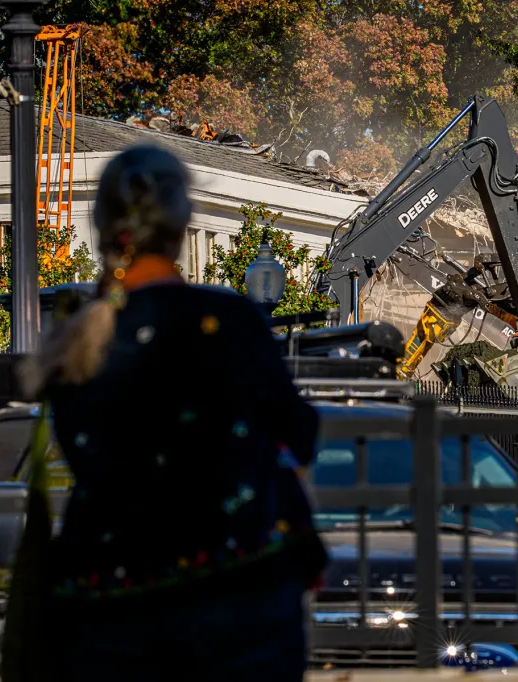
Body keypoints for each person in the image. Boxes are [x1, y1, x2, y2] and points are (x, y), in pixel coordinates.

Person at [19, 145, 326, 682]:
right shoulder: (227, 318)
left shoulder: (72, 338)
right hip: (237, 596)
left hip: (107, 602)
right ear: (183, 222)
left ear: (102, 225)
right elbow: (298, 433)